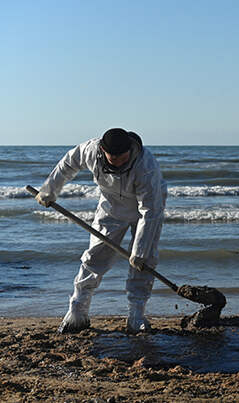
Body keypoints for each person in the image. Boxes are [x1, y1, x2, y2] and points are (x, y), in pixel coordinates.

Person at [35, 128, 167, 334]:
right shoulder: (90, 150)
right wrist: (49, 190)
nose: (119, 163)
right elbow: (68, 163)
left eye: (123, 159)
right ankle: (77, 311)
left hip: (146, 211)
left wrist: (140, 251)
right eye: (113, 159)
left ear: (130, 152)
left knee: (144, 261)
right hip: (111, 207)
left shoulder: (146, 166)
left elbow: (150, 212)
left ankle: (136, 315)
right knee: (94, 257)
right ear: (103, 150)